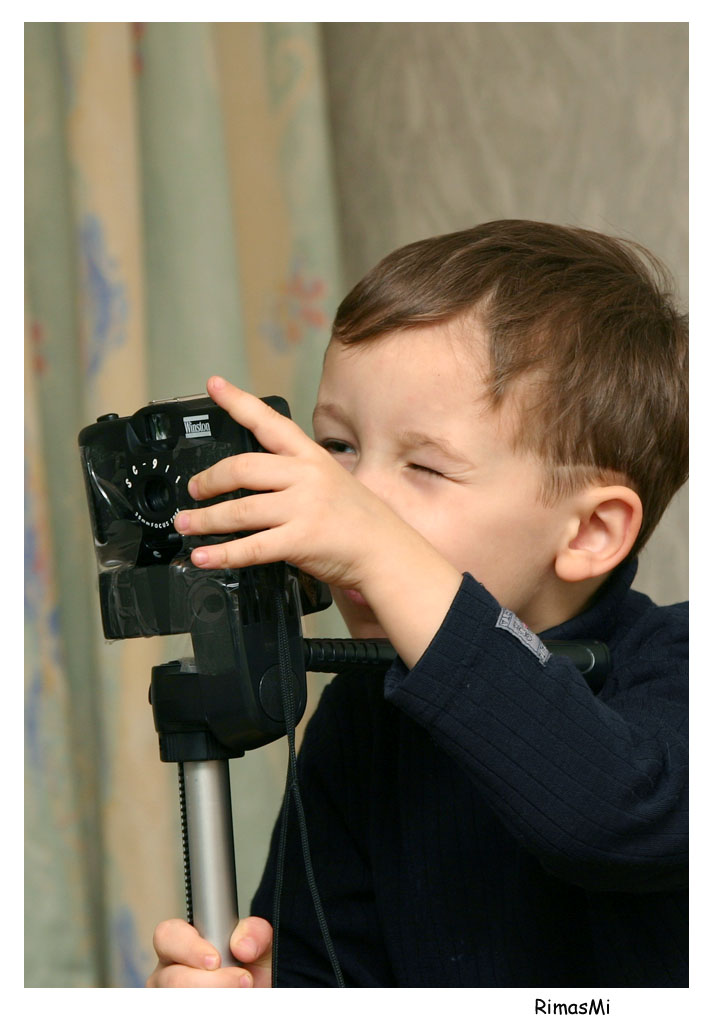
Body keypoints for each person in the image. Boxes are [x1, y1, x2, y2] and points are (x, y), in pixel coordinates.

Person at [147, 220, 688, 988]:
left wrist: (381, 551)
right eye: (337, 447)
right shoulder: (363, 720)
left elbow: (608, 815)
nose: (350, 500)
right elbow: (331, 966)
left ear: (591, 532)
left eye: (424, 465)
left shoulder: (676, 667)